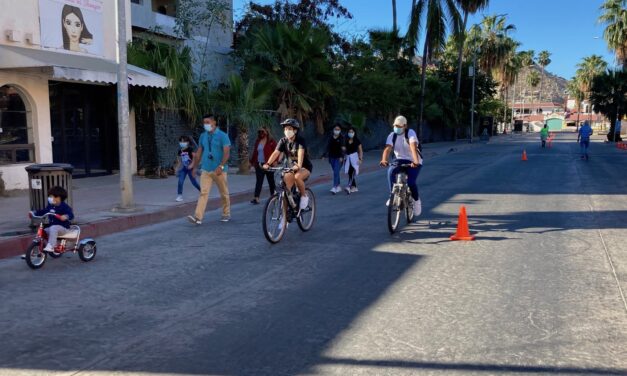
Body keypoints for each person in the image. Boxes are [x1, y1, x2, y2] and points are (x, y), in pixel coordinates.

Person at [187, 114, 232, 224]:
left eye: (207, 122)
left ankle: (226, 213)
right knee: (203, 192)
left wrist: (221, 166)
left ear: (214, 122)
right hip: (206, 169)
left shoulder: (223, 136)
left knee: (224, 193)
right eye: (204, 123)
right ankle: (198, 217)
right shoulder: (203, 136)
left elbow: (227, 153)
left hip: (219, 170)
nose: (205, 125)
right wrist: (194, 167)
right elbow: (199, 153)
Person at [263, 118, 313, 211]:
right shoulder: (283, 141)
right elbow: (275, 153)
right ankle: (285, 219)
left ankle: (304, 196)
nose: (287, 131)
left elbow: (300, 153)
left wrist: (298, 165)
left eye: (289, 128)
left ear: (295, 130)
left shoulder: (300, 140)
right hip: (290, 168)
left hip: (304, 167)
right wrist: (268, 163)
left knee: (297, 177)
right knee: (286, 192)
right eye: (285, 129)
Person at [379, 115, 422, 218]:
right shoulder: (392, 135)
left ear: (405, 126)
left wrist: (415, 161)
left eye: (399, 126)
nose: (397, 128)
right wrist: (384, 159)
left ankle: (416, 201)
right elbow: (388, 149)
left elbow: (413, 146)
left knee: (411, 182)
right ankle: (392, 195)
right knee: (391, 171)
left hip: (414, 160)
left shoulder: (410, 133)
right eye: (395, 126)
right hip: (399, 159)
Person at [31, 186, 74, 253]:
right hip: (53, 228)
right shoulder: (50, 205)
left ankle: (51, 245)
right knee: (43, 231)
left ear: (60, 198)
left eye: (54, 197)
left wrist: (66, 216)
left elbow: (71, 215)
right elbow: (44, 211)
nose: (51, 198)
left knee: (53, 228)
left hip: (64, 228)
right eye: (50, 197)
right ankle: (34, 249)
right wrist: (35, 213)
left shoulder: (64, 206)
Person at [250, 127, 277, 204]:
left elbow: (277, 151)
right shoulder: (258, 141)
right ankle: (256, 197)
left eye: (262, 131)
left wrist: (276, 161)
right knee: (259, 181)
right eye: (259, 132)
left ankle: (274, 196)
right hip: (259, 164)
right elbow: (255, 152)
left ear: (266, 132)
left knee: (271, 181)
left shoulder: (271, 141)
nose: (261, 133)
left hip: (269, 164)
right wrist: (252, 162)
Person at [175, 135, 200, 202]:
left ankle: (202, 191)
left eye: (183, 141)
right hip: (184, 168)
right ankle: (179, 196)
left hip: (190, 168)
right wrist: (177, 168)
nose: (182, 143)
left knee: (194, 182)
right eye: (181, 141)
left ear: (187, 142)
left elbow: (195, 157)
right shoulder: (180, 151)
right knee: (180, 181)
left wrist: (192, 165)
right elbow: (180, 161)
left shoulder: (190, 149)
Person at [344, 126, 363, 193]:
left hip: (354, 158)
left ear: (354, 133)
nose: (351, 133)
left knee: (352, 172)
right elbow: (344, 149)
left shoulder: (357, 140)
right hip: (347, 158)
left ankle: (349, 186)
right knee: (350, 172)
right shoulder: (346, 140)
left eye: (352, 132)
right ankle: (354, 187)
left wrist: (360, 159)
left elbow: (360, 150)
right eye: (349, 132)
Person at [327, 124, 346, 194]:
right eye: (335, 129)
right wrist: (324, 155)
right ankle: (338, 186)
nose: (337, 131)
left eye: (338, 129)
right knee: (336, 172)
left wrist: (342, 156)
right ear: (333, 130)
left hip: (339, 158)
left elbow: (343, 148)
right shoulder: (330, 138)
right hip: (332, 157)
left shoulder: (342, 138)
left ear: (340, 130)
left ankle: (334, 187)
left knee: (336, 171)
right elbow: (328, 147)